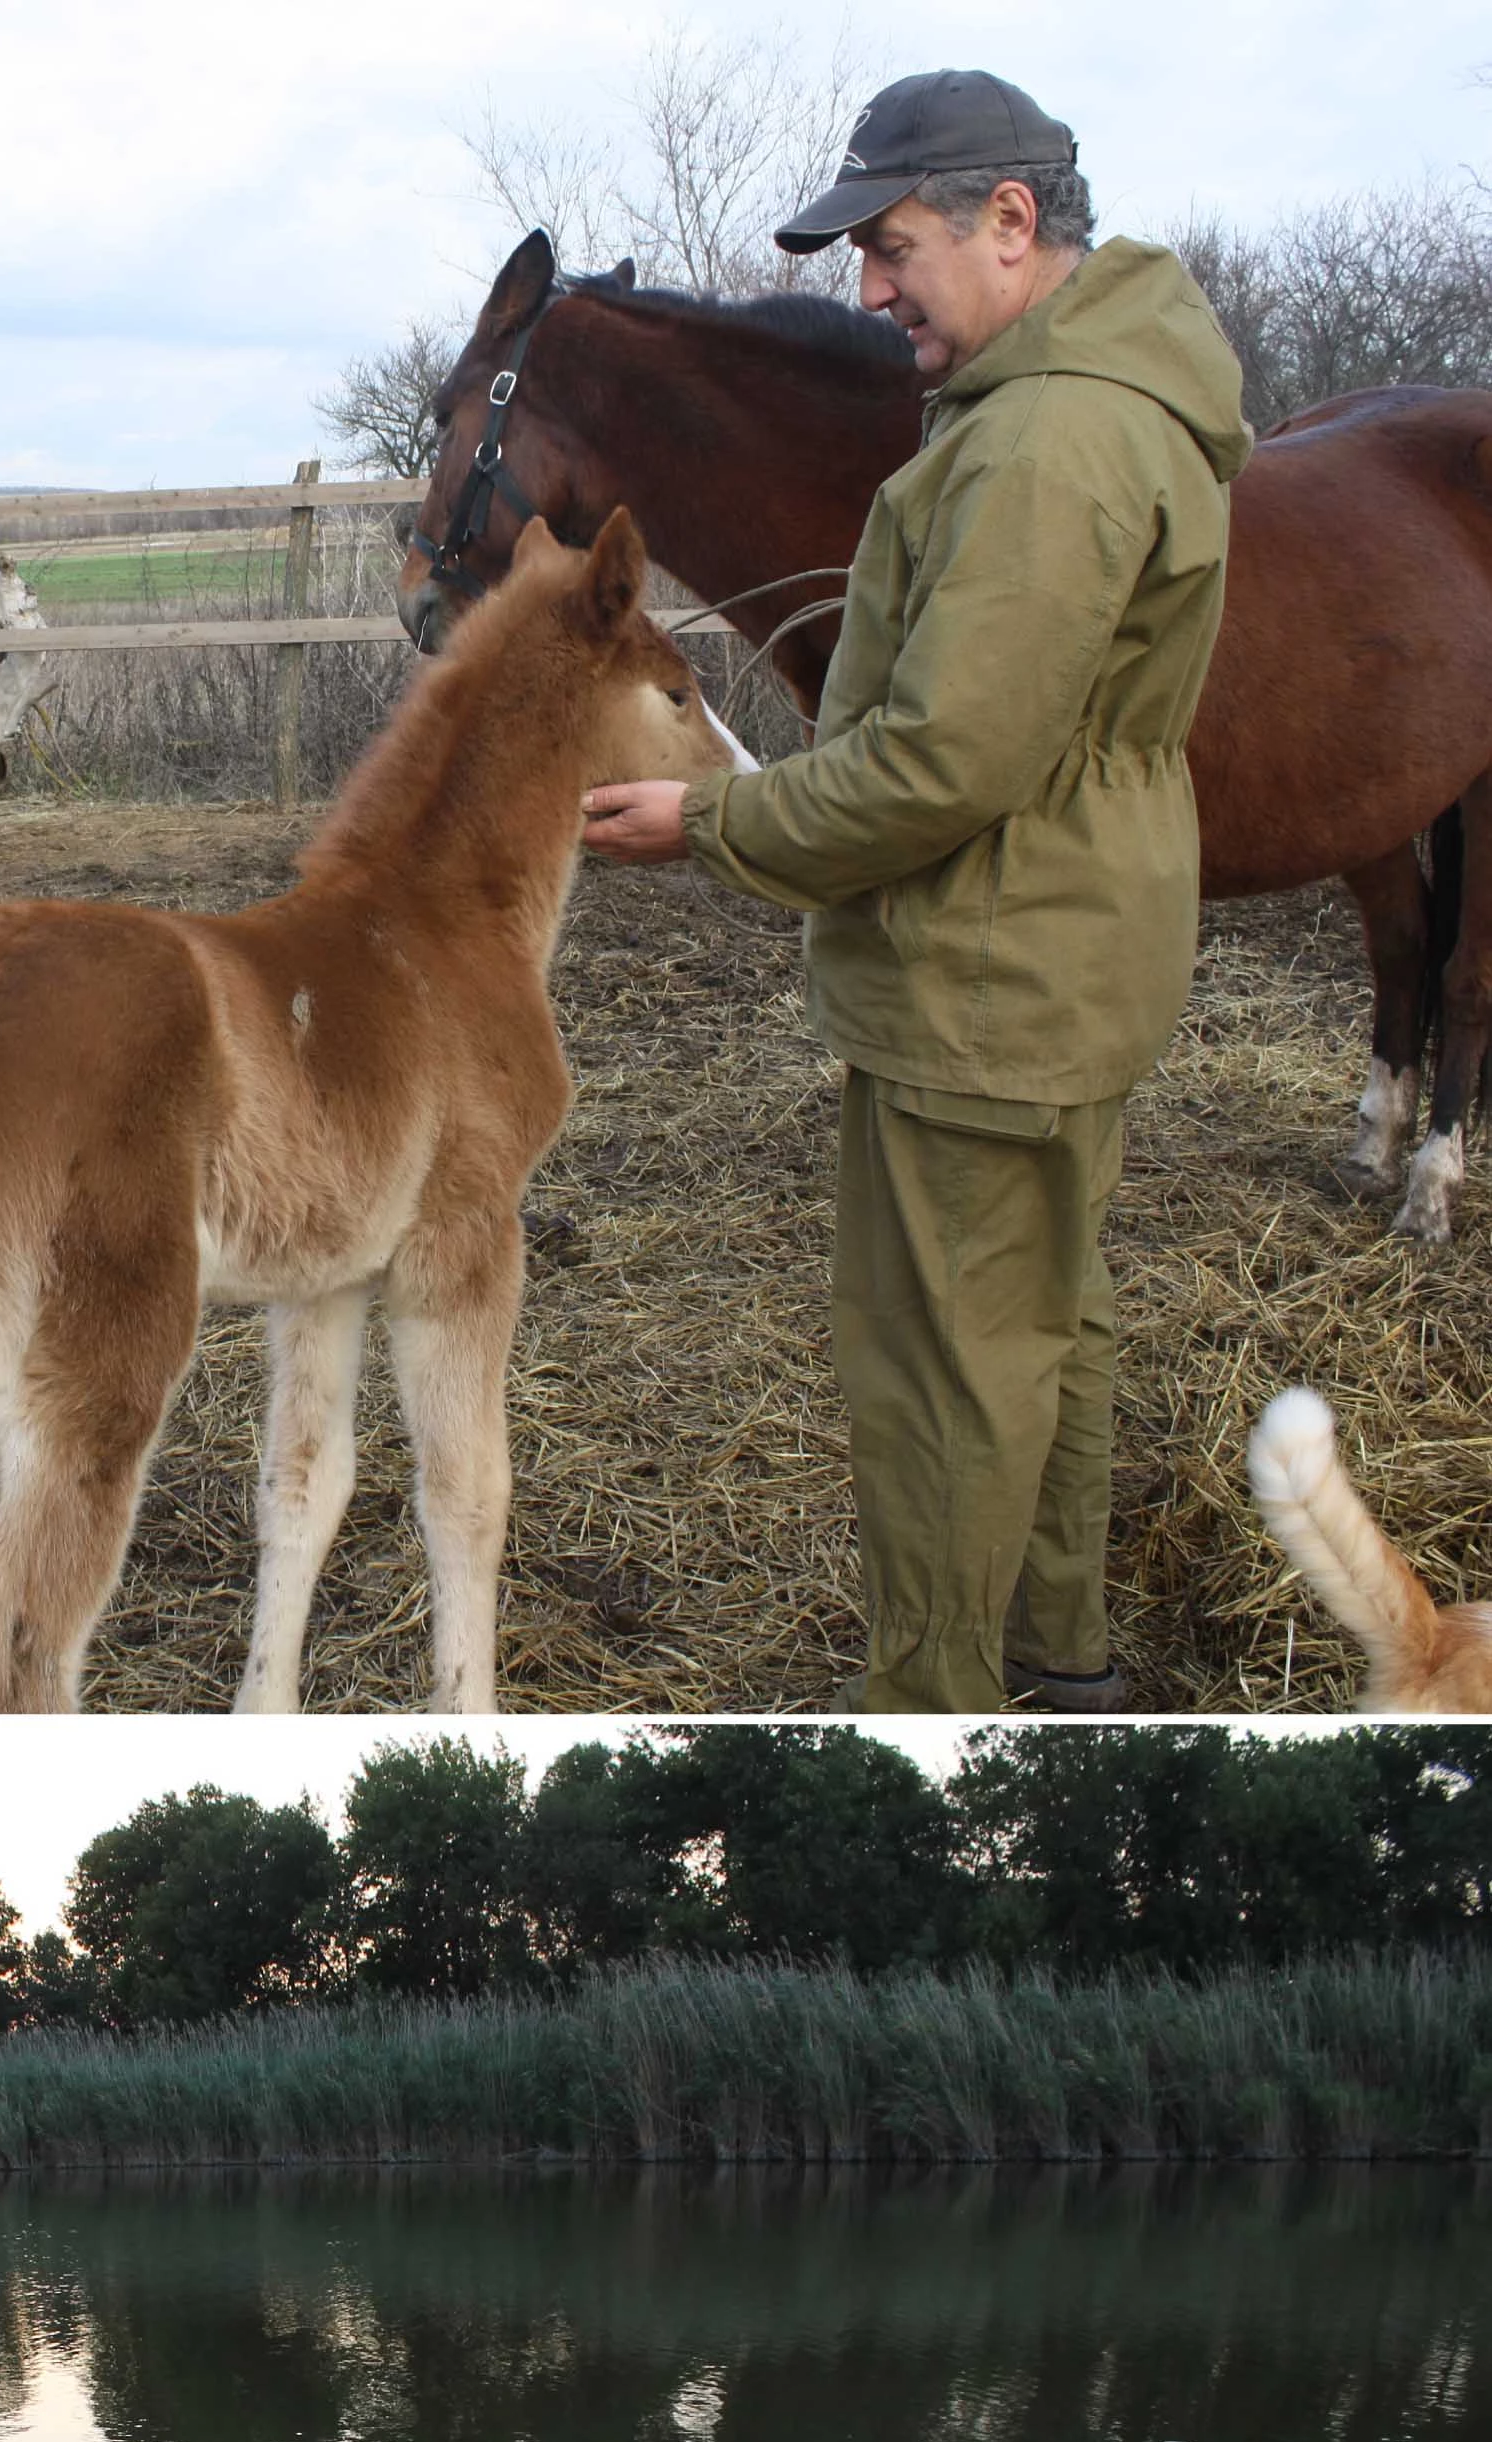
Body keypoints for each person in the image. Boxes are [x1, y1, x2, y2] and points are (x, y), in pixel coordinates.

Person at [581, 70, 1250, 1715]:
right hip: (1062, 946)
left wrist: (720, 824)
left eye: (889, 248)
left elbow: (945, 765)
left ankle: (937, 1714)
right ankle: (1060, 1656)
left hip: (987, 971)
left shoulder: (1046, 446)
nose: (869, 293)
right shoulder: (1090, 397)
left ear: (1006, 225)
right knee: (1041, 1330)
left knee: (941, 1382)